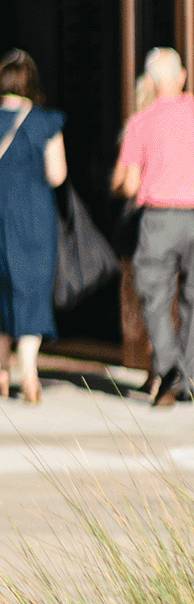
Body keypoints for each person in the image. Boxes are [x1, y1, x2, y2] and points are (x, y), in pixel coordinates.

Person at [0, 49, 67, 405]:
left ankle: (3, 372)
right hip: (35, 211)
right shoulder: (46, 122)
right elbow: (57, 173)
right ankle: (31, 374)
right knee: (32, 288)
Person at [114, 47, 194, 406]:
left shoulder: (141, 122)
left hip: (160, 217)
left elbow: (129, 186)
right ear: (182, 77)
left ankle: (167, 365)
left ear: (149, 82)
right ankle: (189, 376)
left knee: (156, 296)